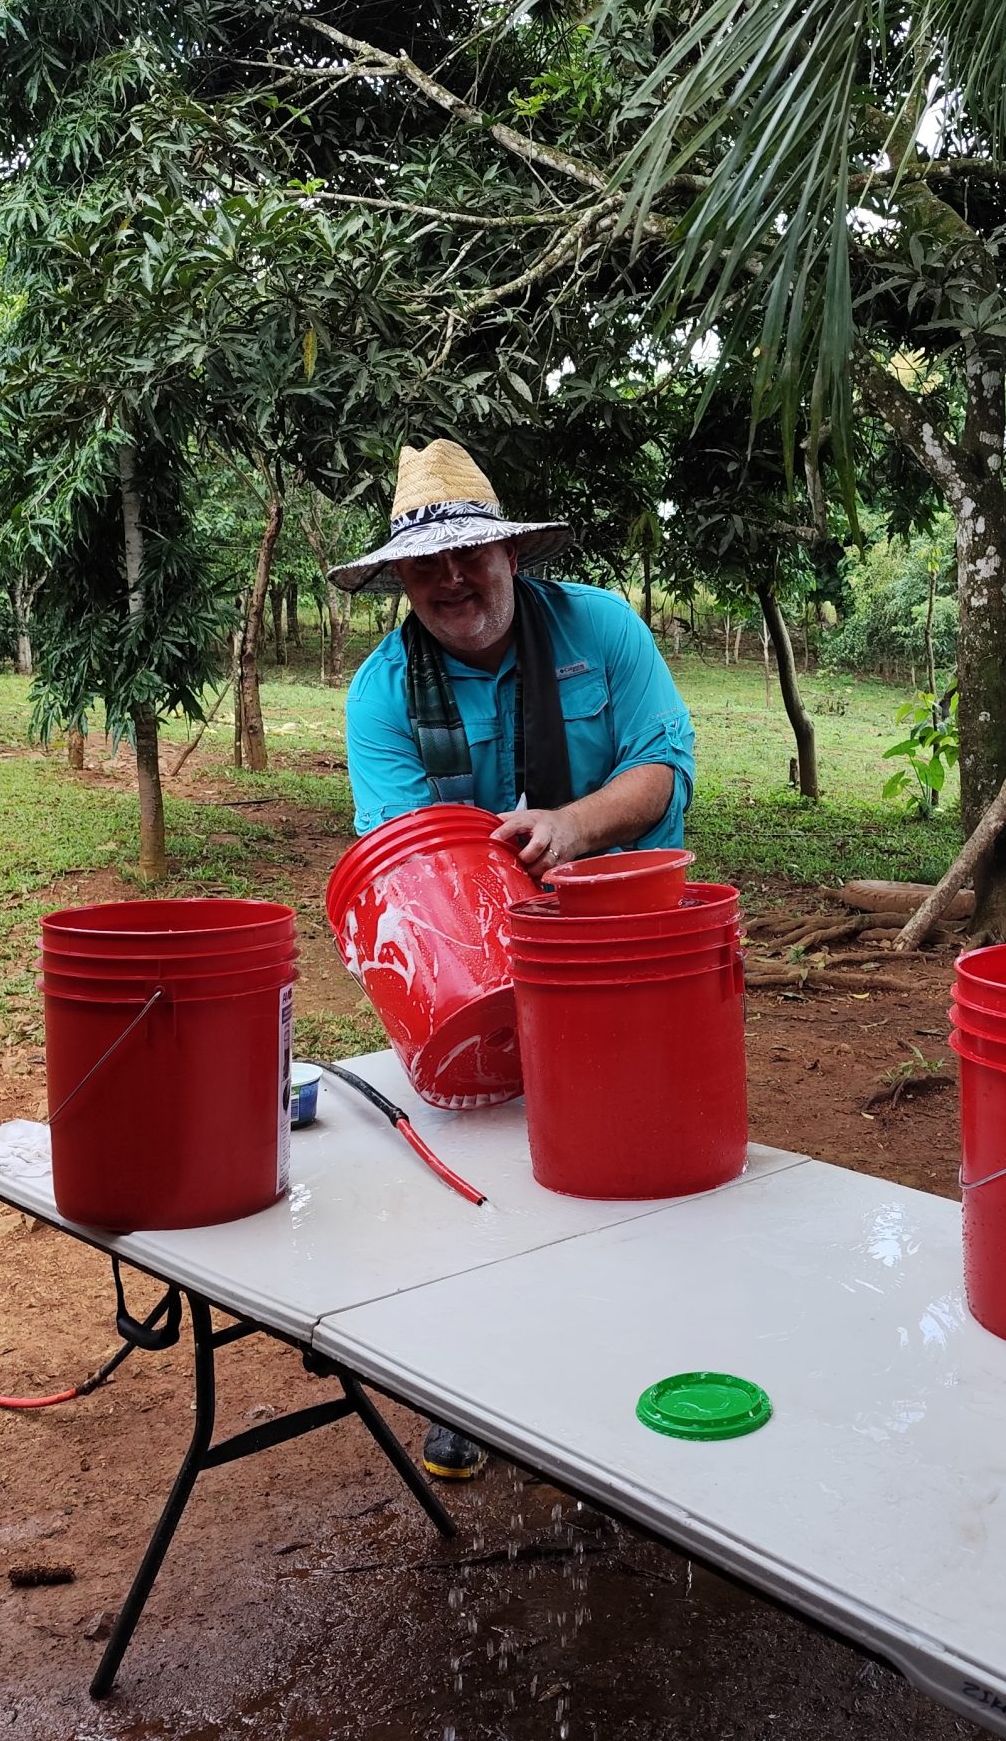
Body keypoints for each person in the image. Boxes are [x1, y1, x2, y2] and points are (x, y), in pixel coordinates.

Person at [332, 437, 696, 1478]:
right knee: (487, 1167)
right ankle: (478, 1388)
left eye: (471, 557)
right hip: (476, 960)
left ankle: (647, 1360)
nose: (453, 581)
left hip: (628, 947)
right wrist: (504, 906)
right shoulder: (380, 695)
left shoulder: (602, 628)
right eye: (427, 566)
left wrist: (571, 828)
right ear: (402, 578)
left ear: (510, 554)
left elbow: (662, 770)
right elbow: (409, 866)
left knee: (637, 1160)